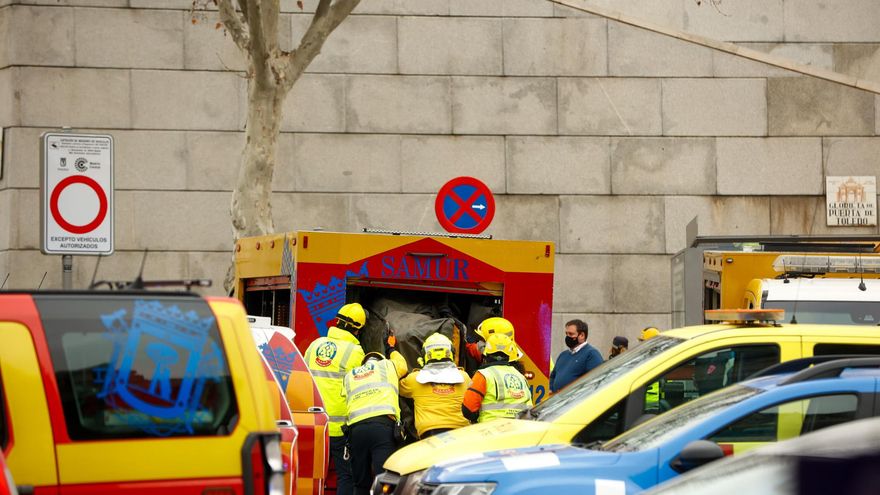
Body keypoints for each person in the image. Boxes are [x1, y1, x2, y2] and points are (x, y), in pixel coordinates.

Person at [303, 302, 367, 495]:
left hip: (314, 424)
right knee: (345, 475)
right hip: (339, 428)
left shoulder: (315, 345)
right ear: (357, 330)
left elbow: (304, 379)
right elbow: (360, 389)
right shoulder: (355, 352)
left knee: (311, 476)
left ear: (337, 322)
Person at [342, 350, 408, 495]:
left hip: (356, 430)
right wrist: (392, 349)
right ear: (381, 359)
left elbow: (345, 400)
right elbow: (403, 366)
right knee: (384, 482)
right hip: (382, 428)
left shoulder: (350, 375)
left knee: (360, 483)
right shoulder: (387, 366)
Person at [399, 333, 471, 438]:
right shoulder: (464, 377)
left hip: (428, 432)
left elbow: (397, 388)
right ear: (450, 352)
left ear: (425, 354)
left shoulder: (414, 379)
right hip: (460, 431)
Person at [462, 332, 532, 423]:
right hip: (518, 431)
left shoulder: (483, 375)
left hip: (490, 431)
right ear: (510, 354)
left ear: (486, 354)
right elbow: (529, 409)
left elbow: (468, 409)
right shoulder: (520, 376)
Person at [549, 319, 603, 393]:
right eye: (566, 334)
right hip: (558, 402)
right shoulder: (563, 355)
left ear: (582, 335)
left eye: (571, 334)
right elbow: (553, 376)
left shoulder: (592, 354)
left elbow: (596, 381)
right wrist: (551, 389)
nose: (567, 337)